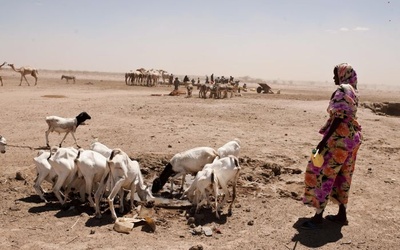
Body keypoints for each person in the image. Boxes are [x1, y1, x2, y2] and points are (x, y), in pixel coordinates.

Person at [302, 63, 362, 229]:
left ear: (343, 74)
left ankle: (317, 217)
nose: (334, 77)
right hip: (352, 138)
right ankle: (342, 214)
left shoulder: (343, 89)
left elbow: (339, 117)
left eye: (335, 74)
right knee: (344, 175)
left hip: (339, 139)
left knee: (323, 173)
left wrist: (323, 142)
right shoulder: (353, 90)